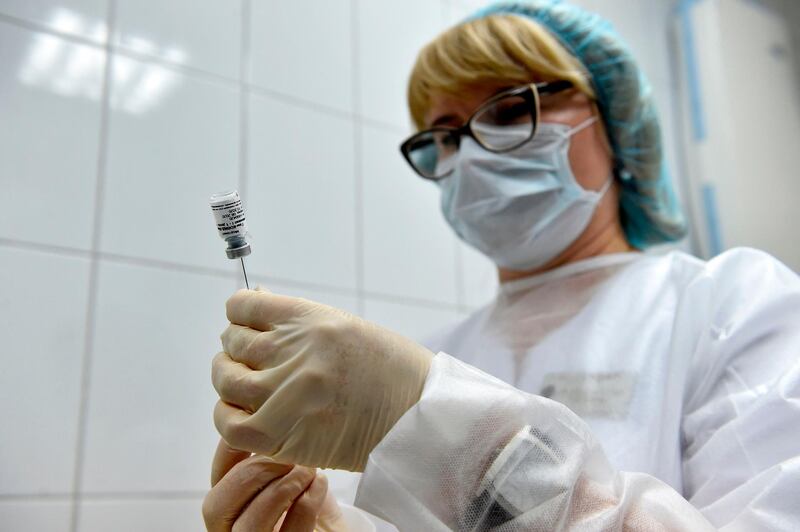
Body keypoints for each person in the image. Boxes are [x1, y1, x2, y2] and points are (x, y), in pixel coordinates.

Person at [203, 1, 800, 530]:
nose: (471, 155)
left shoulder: (732, 306)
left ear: (614, 125)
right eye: (446, 135)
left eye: (512, 110)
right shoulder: (439, 355)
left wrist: (444, 429)